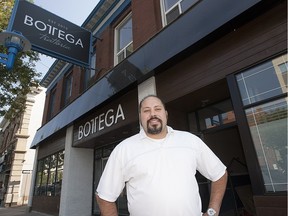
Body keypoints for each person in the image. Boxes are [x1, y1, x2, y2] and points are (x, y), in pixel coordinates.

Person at [96, 95, 228, 216]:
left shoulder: (190, 141)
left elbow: (219, 174)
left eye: (157, 109)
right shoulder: (124, 149)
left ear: (165, 114)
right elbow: (104, 196)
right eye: (146, 110)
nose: (152, 114)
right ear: (140, 117)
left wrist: (212, 211)